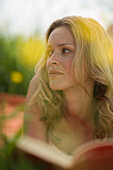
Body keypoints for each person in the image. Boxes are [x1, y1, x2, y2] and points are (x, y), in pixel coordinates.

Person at [24, 16, 113, 155]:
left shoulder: (110, 99)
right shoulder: (40, 87)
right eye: (50, 52)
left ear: (92, 59)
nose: (51, 61)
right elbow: (32, 162)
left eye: (65, 50)